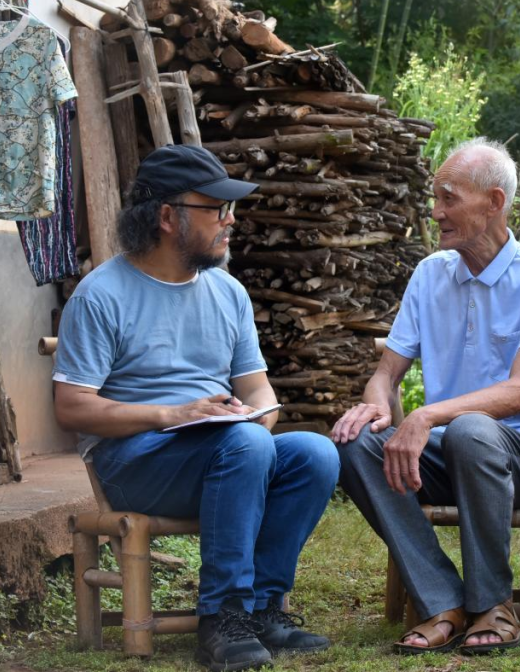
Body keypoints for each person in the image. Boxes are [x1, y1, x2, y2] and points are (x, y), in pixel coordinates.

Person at [53, 144, 339, 671]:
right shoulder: (100, 296)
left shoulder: (228, 292)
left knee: (314, 453)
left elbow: (259, 392)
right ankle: (223, 617)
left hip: (224, 450)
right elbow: (72, 408)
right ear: (167, 217)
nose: (231, 220)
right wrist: (173, 415)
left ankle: (263, 609)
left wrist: (252, 418)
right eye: (217, 209)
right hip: (137, 462)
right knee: (246, 445)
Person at [332, 137, 520, 655]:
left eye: (449, 199)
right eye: (435, 198)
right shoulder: (430, 274)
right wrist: (375, 405)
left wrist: (425, 417)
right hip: (451, 450)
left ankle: (492, 604)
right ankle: (442, 600)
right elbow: (386, 373)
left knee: (469, 429)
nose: (436, 212)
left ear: (494, 203)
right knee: (354, 443)